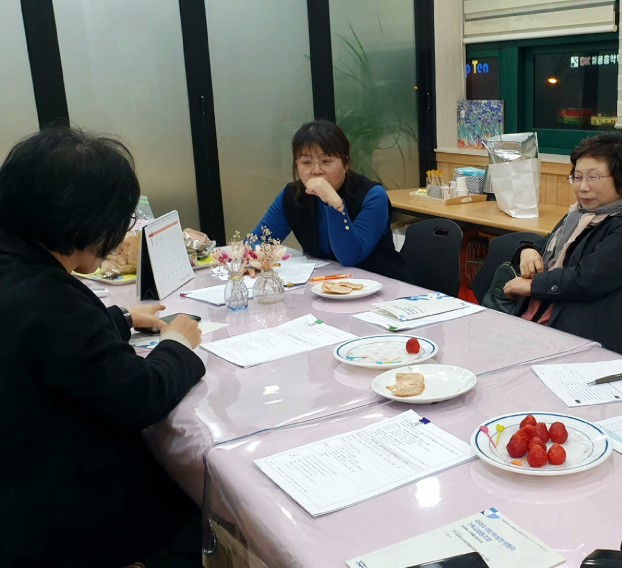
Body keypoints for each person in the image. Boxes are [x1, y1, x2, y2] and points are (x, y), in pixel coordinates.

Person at [0, 127, 206, 566]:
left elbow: (52, 347)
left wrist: (122, 319)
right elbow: (140, 396)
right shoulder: (45, 297)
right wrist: (177, 344)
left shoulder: (16, 266)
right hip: (54, 511)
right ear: (81, 219)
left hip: (20, 480)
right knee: (207, 508)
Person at [499, 133, 622, 356]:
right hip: (537, 326)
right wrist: (527, 250)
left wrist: (533, 286)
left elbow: (588, 278)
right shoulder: (578, 215)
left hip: (582, 339)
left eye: (593, 178)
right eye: (577, 177)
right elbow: (549, 249)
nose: (582, 187)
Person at [252, 119, 410, 281]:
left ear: (346, 163)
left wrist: (333, 203)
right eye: (306, 162)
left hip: (381, 283)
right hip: (324, 284)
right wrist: (250, 260)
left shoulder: (373, 195)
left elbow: (350, 257)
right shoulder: (293, 195)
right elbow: (258, 242)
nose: (316, 171)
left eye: (326, 161)